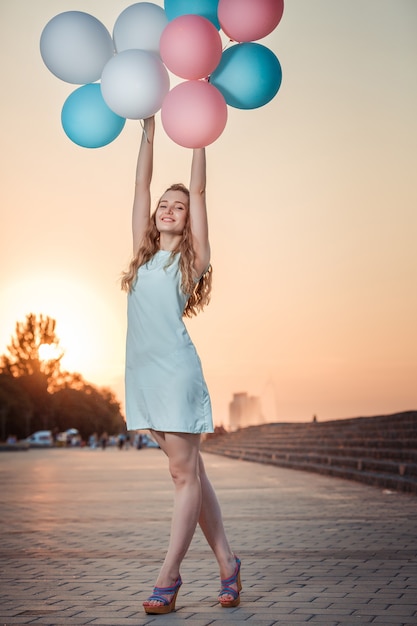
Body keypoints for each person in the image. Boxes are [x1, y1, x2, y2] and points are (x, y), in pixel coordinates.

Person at [121, 116, 241, 615]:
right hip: (144, 377)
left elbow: (199, 187)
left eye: (180, 208)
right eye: (165, 207)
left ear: (189, 220)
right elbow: (141, 184)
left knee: (181, 476)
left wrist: (196, 136)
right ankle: (229, 564)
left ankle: (168, 576)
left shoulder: (191, 262)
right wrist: (148, 125)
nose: (170, 209)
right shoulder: (142, 258)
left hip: (176, 375)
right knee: (192, 474)